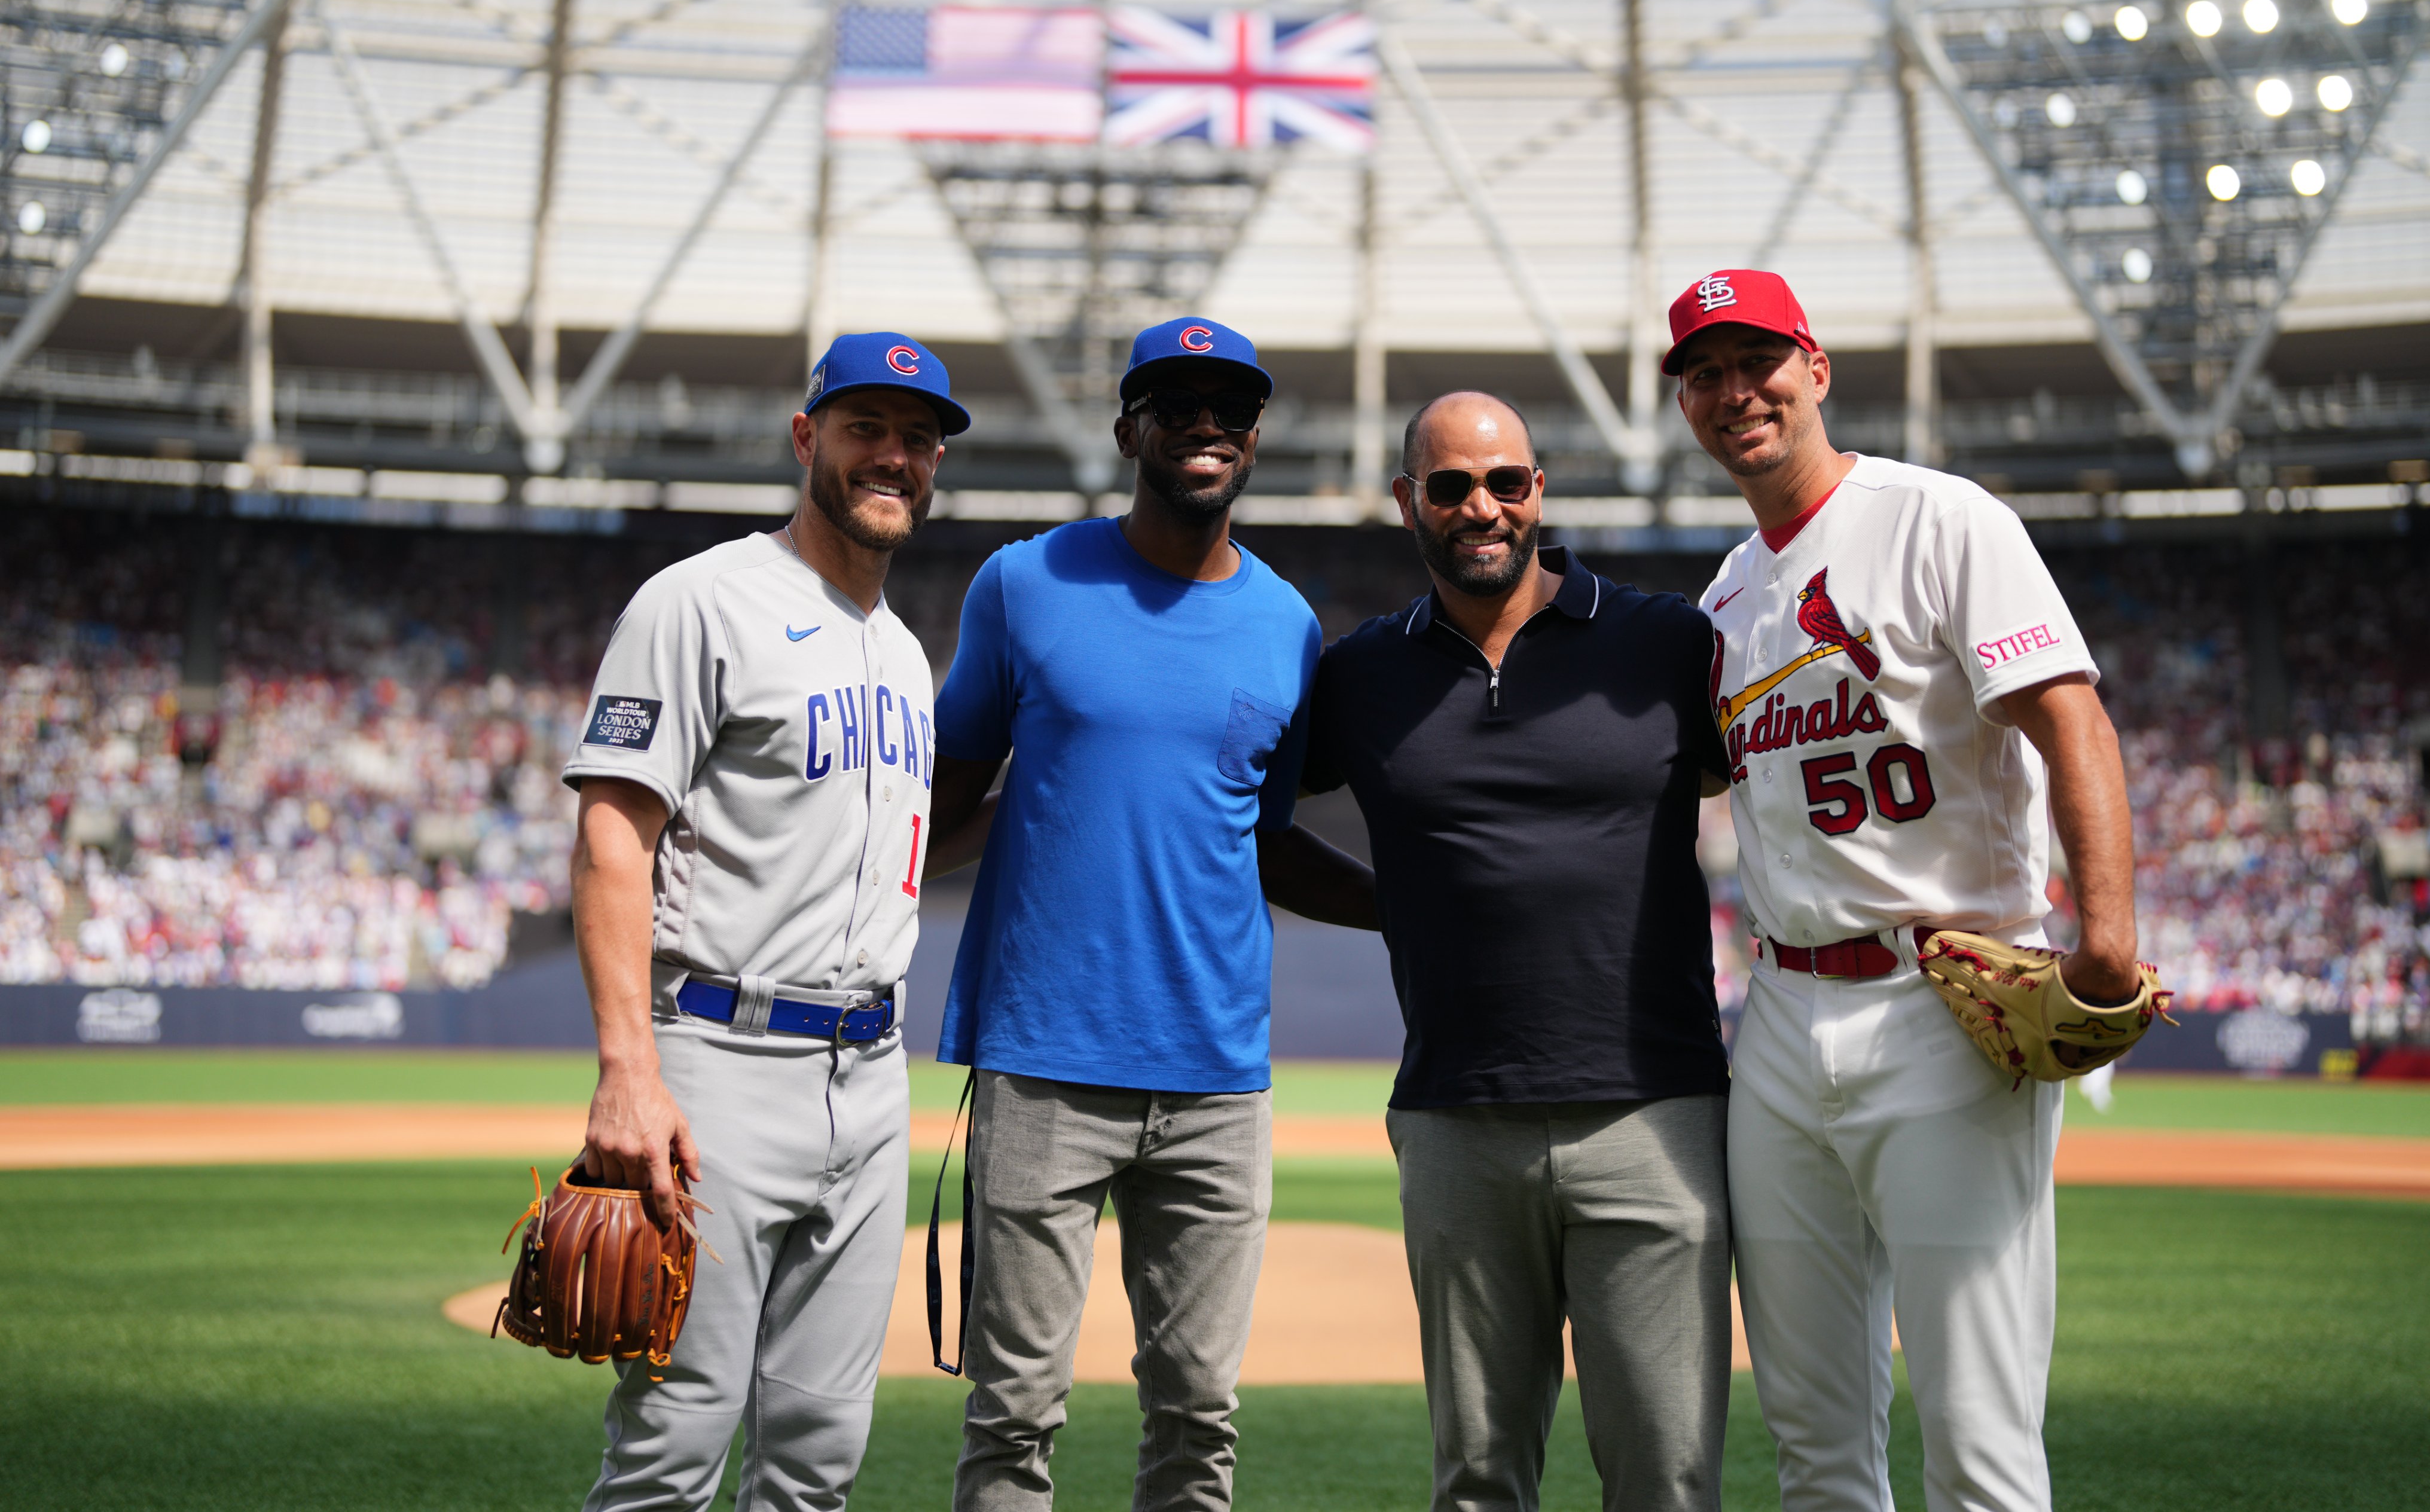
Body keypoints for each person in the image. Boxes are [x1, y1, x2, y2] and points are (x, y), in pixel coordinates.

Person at [1671, 269, 2139, 1512]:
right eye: (1703, 373)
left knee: (1978, 1441)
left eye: (1755, 360)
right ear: (1684, 404)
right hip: (1776, 1013)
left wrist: (2104, 939)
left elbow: (2068, 717)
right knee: (1814, 1444)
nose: (1734, 392)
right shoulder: (1722, 594)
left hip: (1943, 1000)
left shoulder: (1938, 518)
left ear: (1813, 367)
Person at [925, 316, 1373, 1512]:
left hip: (1217, 1078)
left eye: (1228, 407)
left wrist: (1410, 907)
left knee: (1197, 1415)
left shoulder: (1284, 624)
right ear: (1128, 430)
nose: (1204, 425)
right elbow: (941, 801)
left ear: (1255, 437)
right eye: (1174, 405)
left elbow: (1263, 840)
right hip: (1041, 1062)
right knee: (1012, 1412)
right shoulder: (1021, 582)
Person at [1299, 391, 1733, 1512]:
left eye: (1505, 482)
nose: (1480, 507)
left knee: (1668, 1480)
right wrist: (1397, 907)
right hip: (1455, 1121)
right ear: (1409, 504)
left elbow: (1786, 793)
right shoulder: (1359, 676)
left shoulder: (1667, 642)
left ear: (1540, 490)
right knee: (1481, 1482)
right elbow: (1235, 819)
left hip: (1656, 1116)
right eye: (1450, 487)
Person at [560, 333, 969, 1511]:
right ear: (807, 438)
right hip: (718, 1063)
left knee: (815, 1462)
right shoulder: (700, 600)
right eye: (865, 428)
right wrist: (628, 1073)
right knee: (668, 1454)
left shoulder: (901, 654)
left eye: (916, 437)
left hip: (869, 1072)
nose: (892, 455)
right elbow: (610, 836)